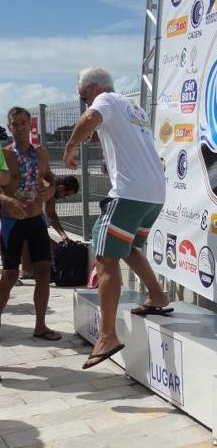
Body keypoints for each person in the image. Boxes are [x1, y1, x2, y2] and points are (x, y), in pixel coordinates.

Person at [63, 66, 171, 370]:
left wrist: (72, 145)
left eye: (85, 98)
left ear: (94, 89)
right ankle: (158, 296)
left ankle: (108, 335)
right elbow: (115, 135)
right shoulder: (131, 106)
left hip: (128, 192)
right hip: (154, 193)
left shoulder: (105, 101)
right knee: (129, 248)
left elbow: (89, 120)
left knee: (106, 258)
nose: (86, 104)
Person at [0, 107, 61, 340]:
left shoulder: (41, 153)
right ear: (9, 127)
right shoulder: (5, 155)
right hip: (12, 221)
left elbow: (50, 176)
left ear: (30, 125)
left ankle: (41, 326)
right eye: (15, 124)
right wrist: (6, 199)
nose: (20, 127)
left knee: (44, 271)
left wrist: (52, 189)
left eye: (24, 123)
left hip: (36, 218)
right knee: (10, 275)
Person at [20, 175, 80, 279]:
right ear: (61, 188)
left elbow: (51, 214)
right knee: (24, 238)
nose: (63, 198)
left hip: (26, 209)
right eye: (65, 195)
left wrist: (63, 235)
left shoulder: (52, 190)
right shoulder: (47, 187)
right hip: (15, 205)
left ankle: (27, 269)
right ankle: (25, 270)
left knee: (46, 242)